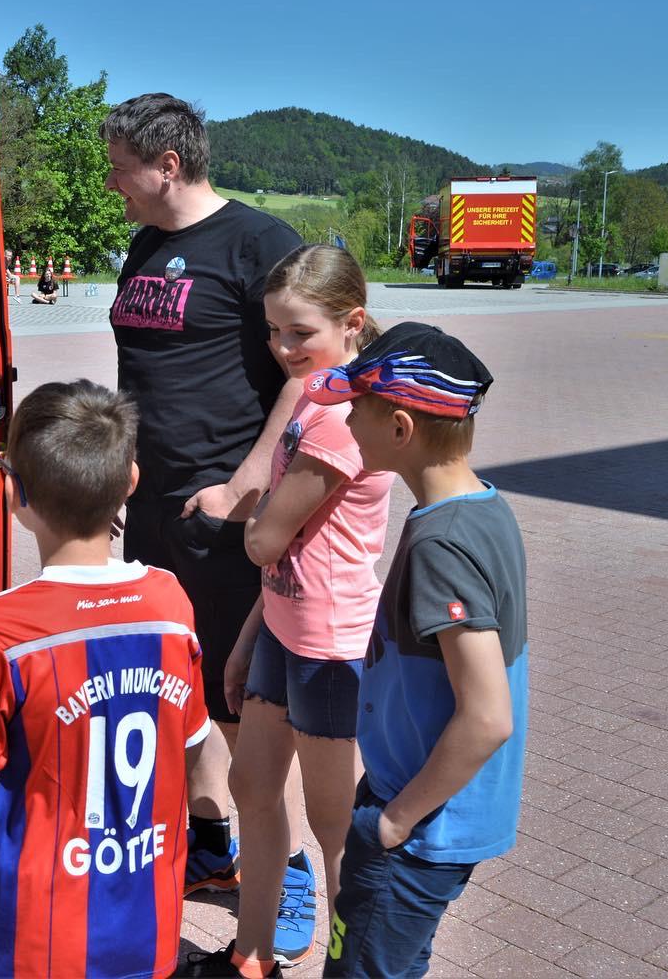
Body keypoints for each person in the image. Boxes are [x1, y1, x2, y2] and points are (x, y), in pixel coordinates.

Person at [100, 93, 308, 943]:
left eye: (122, 169)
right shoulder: (147, 244)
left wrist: (245, 484)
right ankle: (211, 842)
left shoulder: (260, 243)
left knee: (238, 696)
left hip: (222, 511)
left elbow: (312, 369)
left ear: (168, 166)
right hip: (150, 506)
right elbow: (133, 367)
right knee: (169, 685)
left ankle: (285, 870)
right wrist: (114, 470)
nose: (115, 185)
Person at [0, 380, 213, 978]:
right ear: (130, 480)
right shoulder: (170, 601)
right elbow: (194, 743)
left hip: (37, 930)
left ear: (14, 493)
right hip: (148, 915)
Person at [303, 323, 527, 978]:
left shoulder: (441, 545)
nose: (344, 420)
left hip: (421, 824)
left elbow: (487, 715)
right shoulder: (481, 508)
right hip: (426, 805)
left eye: (354, 408)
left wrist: (393, 822)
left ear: (401, 428)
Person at [198, 246, 395, 977]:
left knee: (333, 823)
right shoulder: (314, 395)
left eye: (298, 333)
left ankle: (350, 966)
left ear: (352, 323)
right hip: (284, 630)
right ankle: (250, 955)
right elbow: (281, 554)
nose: (282, 349)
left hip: (330, 645)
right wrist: (252, 633)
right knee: (252, 787)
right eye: (273, 331)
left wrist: (245, 529)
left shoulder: (342, 418)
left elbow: (265, 538)